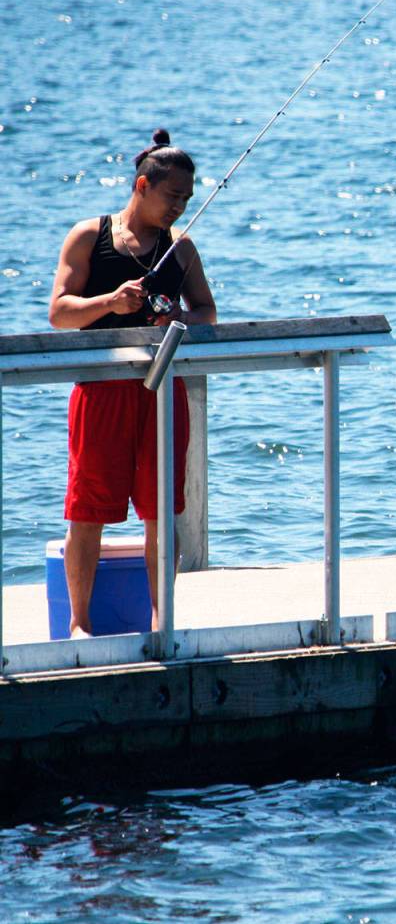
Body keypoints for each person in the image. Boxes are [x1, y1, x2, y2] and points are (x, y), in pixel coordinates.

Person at [49, 128, 217, 637]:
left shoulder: (181, 249)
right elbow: (59, 312)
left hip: (164, 393)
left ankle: (161, 618)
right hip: (101, 393)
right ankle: (80, 624)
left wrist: (179, 319)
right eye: (172, 197)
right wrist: (110, 303)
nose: (179, 209)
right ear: (142, 185)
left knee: (161, 510)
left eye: (187, 200)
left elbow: (207, 312)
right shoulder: (88, 235)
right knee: (87, 509)